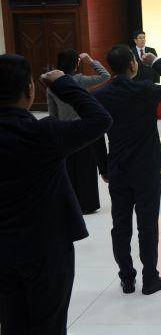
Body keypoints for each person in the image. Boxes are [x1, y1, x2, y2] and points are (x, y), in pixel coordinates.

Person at [0, 54, 112, 335]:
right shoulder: (42, 134)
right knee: (48, 325)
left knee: (12, 326)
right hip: (46, 247)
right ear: (29, 90)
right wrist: (64, 83)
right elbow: (100, 119)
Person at [94, 45, 161, 295]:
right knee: (147, 225)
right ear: (133, 65)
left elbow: (96, 135)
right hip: (147, 167)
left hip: (118, 167)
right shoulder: (144, 89)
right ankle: (150, 278)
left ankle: (127, 278)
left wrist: (104, 167)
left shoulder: (100, 96)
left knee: (120, 225)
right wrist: (156, 62)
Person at [46, 48, 111, 214]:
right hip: (83, 129)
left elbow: (52, 114)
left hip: (64, 131)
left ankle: (70, 204)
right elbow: (105, 76)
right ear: (75, 64)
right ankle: (87, 204)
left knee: (68, 169)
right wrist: (90, 61)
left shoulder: (52, 86)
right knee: (86, 168)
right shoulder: (80, 80)